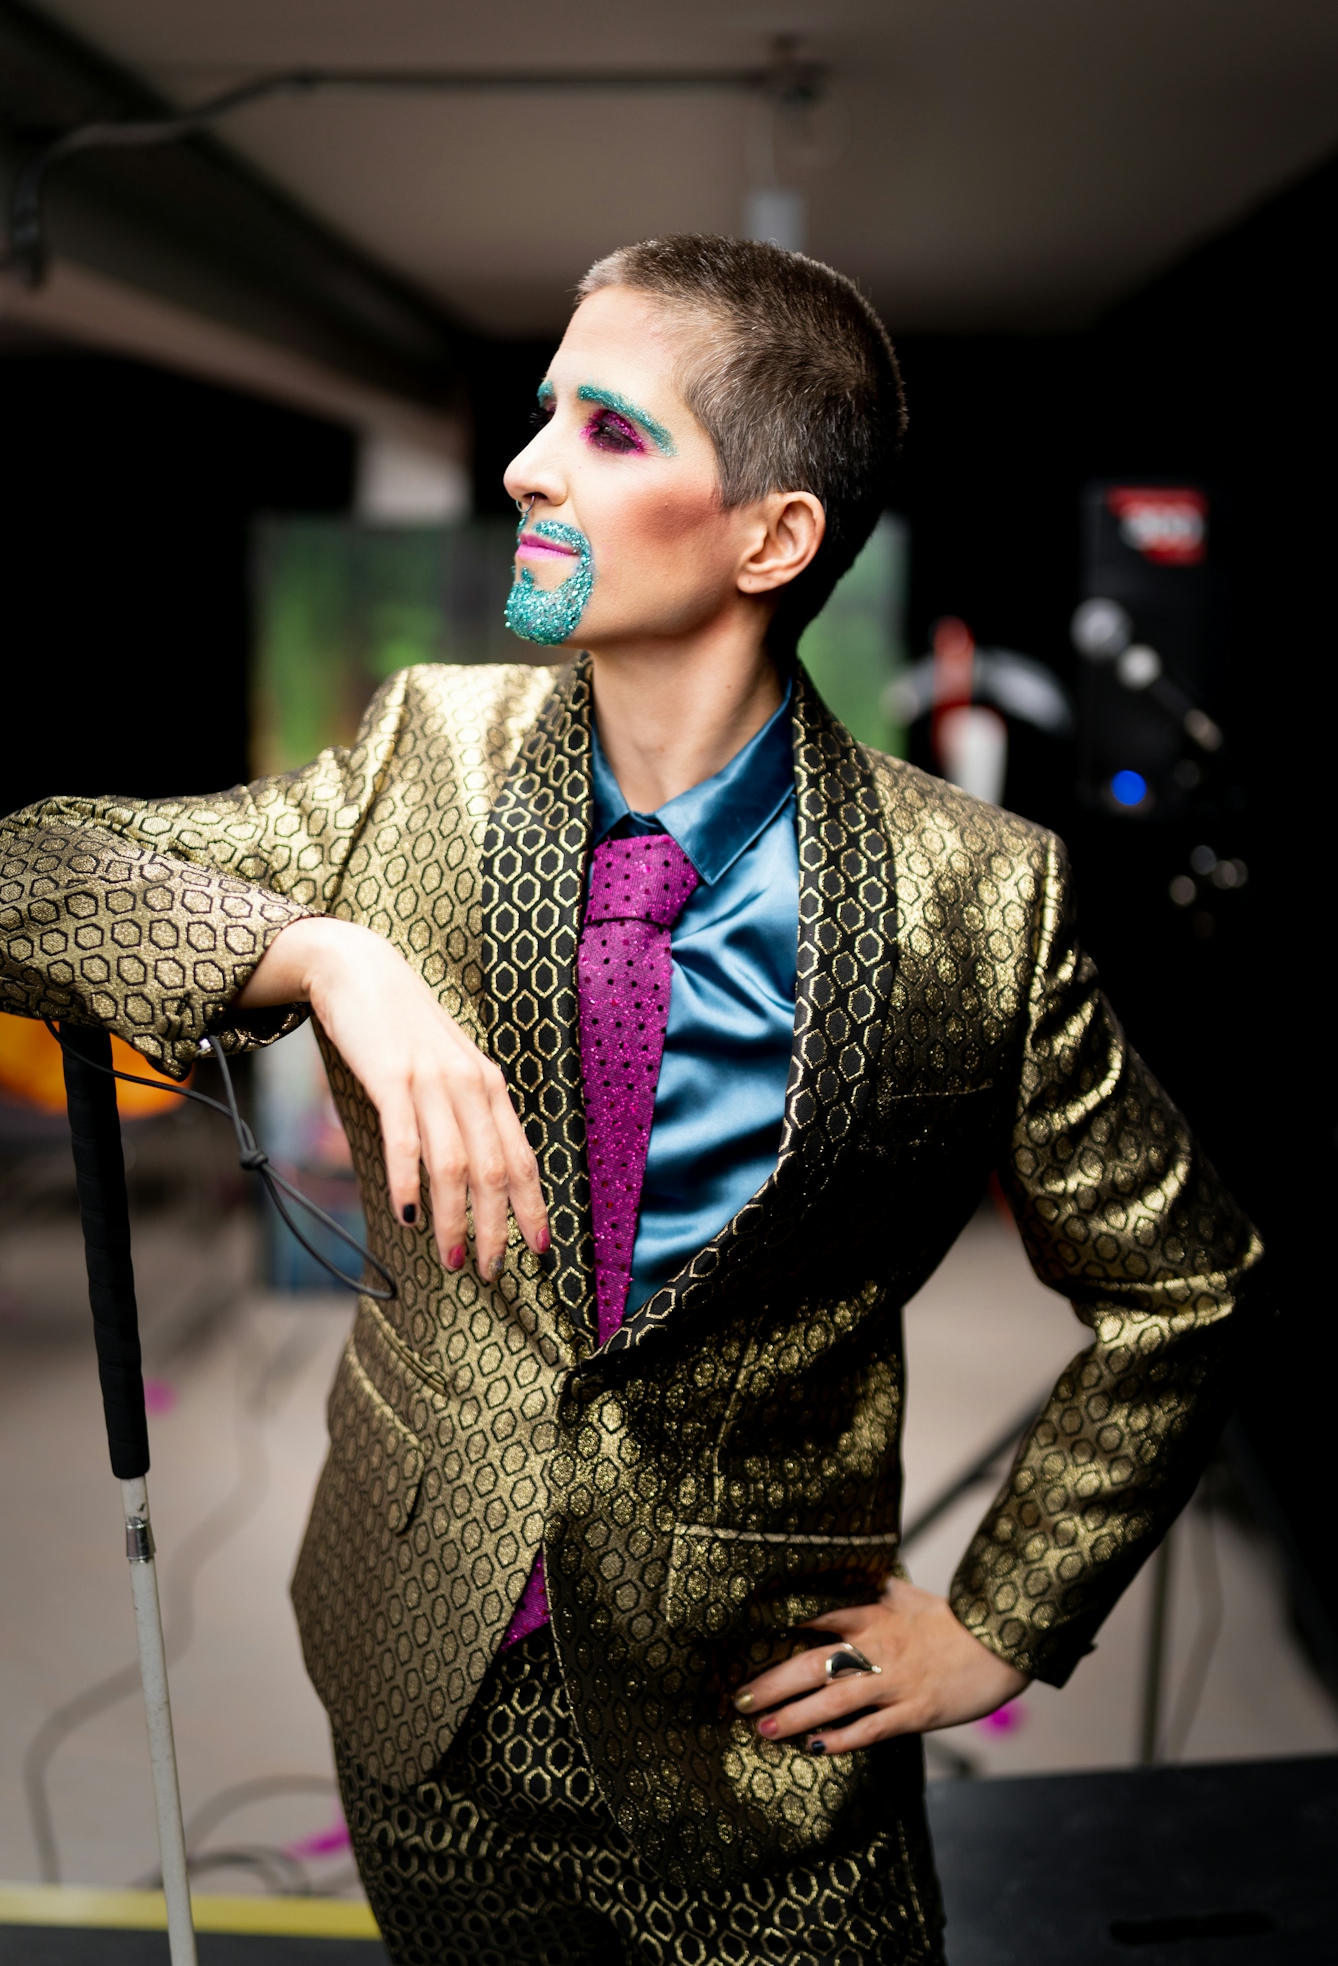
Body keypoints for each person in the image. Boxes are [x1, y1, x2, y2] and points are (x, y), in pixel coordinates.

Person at [0, 235, 1259, 1966]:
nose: (525, 462)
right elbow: (32, 876)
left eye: (605, 428)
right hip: (417, 1682)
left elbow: (1177, 1283)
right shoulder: (421, 758)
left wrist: (1000, 1620)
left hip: (757, 1741)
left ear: (770, 535)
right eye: (542, 414)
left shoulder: (980, 893)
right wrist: (332, 962)